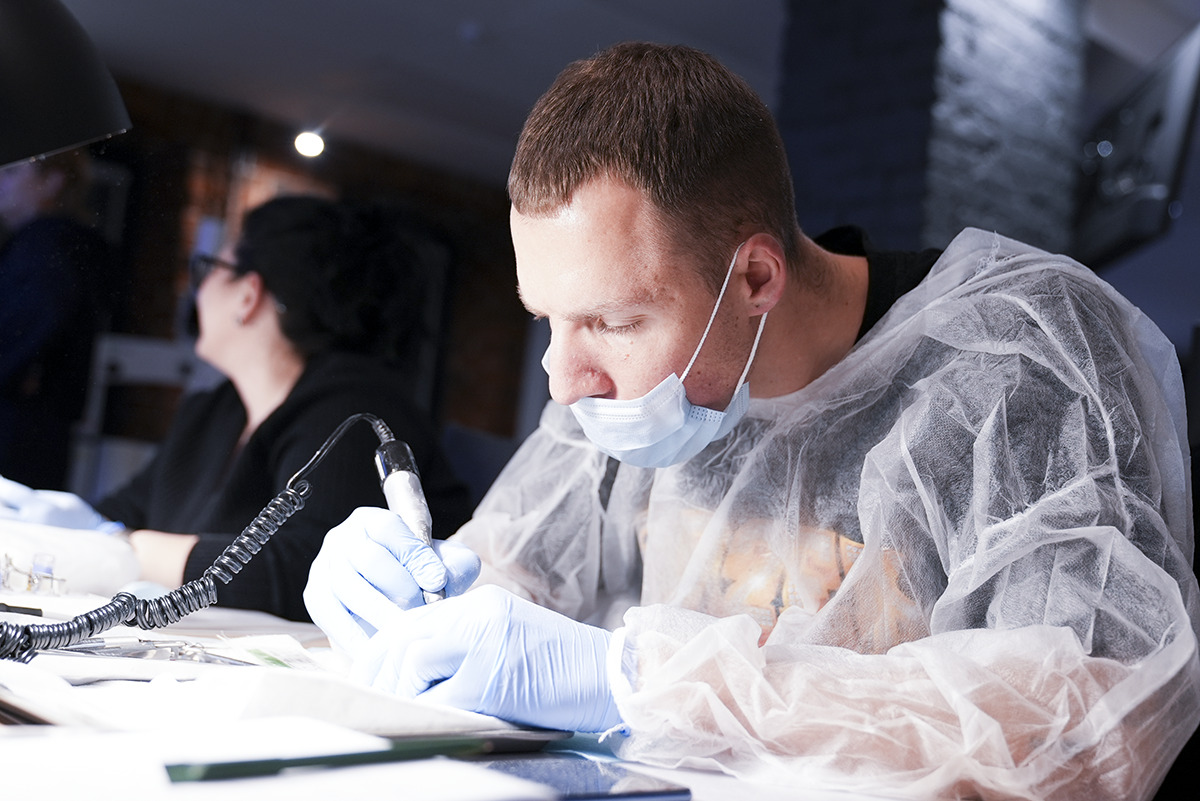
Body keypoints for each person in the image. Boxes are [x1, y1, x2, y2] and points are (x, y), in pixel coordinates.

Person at [302, 43, 1200, 800]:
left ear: (756, 278)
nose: (564, 381)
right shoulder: (627, 396)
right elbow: (521, 571)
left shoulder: (1011, 360)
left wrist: (641, 680)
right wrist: (422, 592)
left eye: (612, 321)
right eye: (547, 318)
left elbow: (1098, 723)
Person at [1, 195, 473, 622]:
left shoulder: (356, 412)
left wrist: (129, 550)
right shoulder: (212, 412)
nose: (198, 290)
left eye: (210, 269)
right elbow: (117, 513)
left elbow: (305, 569)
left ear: (247, 296)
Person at [0, 149, 113, 490]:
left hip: (18, 428)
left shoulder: (47, 243)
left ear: (52, 182)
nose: (0, 182)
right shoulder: (56, 243)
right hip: (37, 430)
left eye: (12, 172)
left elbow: (39, 315)